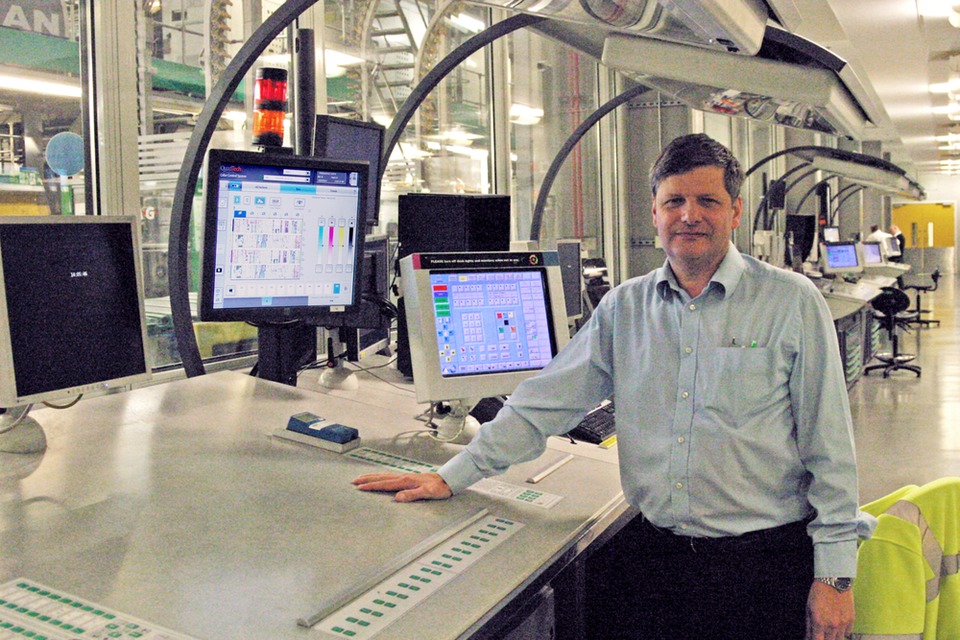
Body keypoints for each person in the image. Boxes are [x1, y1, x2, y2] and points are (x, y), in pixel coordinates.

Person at [354, 134, 871, 640]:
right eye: (675, 201)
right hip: (655, 560)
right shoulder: (625, 307)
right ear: (654, 212)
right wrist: (453, 475)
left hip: (761, 567)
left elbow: (830, 448)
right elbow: (544, 404)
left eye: (707, 201)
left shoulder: (791, 302)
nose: (689, 215)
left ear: (735, 211)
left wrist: (835, 578)